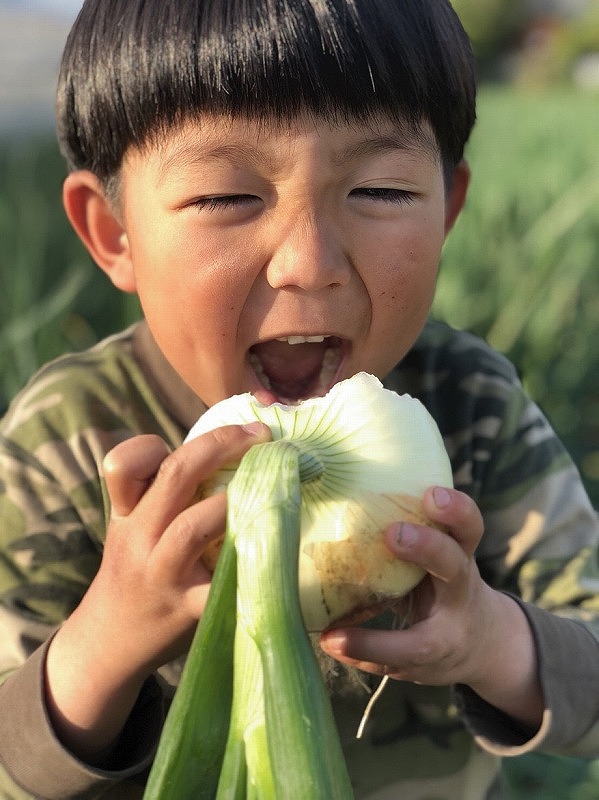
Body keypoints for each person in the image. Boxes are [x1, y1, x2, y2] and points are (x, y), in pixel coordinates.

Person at [1, 0, 599, 797]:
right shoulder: (72, 438)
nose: (307, 263)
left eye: (381, 190)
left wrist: (490, 641)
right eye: (225, 198)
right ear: (114, 233)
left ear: (448, 209)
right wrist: (110, 636)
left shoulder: (471, 406)